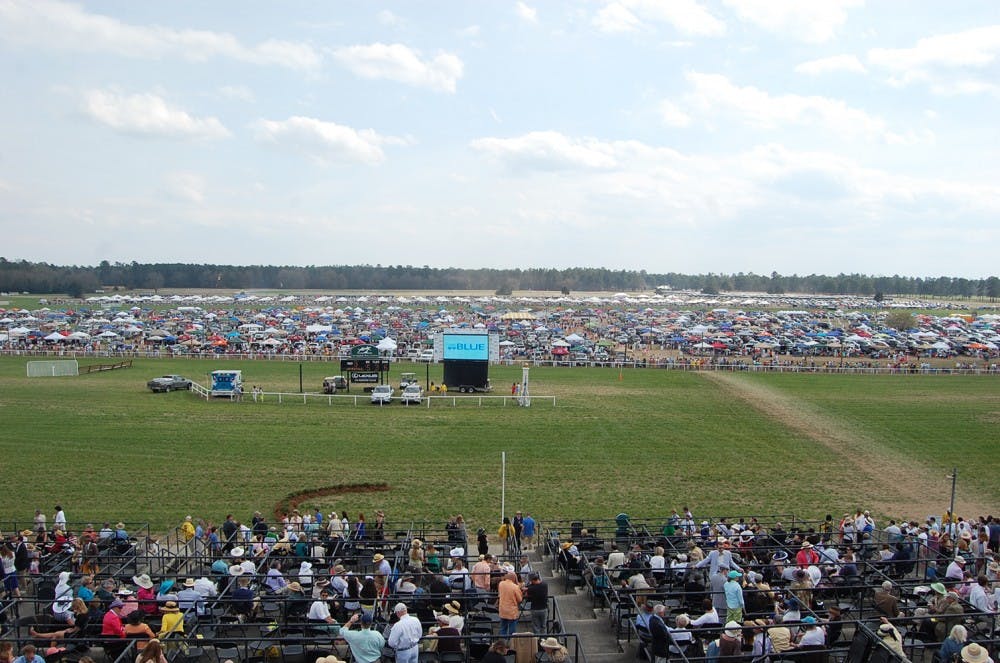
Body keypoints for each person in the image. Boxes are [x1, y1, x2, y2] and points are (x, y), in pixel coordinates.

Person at [497, 572, 523, 638]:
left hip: (502, 609)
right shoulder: (515, 587)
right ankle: (511, 644)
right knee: (512, 630)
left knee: (503, 628)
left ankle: (503, 642)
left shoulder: (501, 584)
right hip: (512, 611)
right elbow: (520, 599)